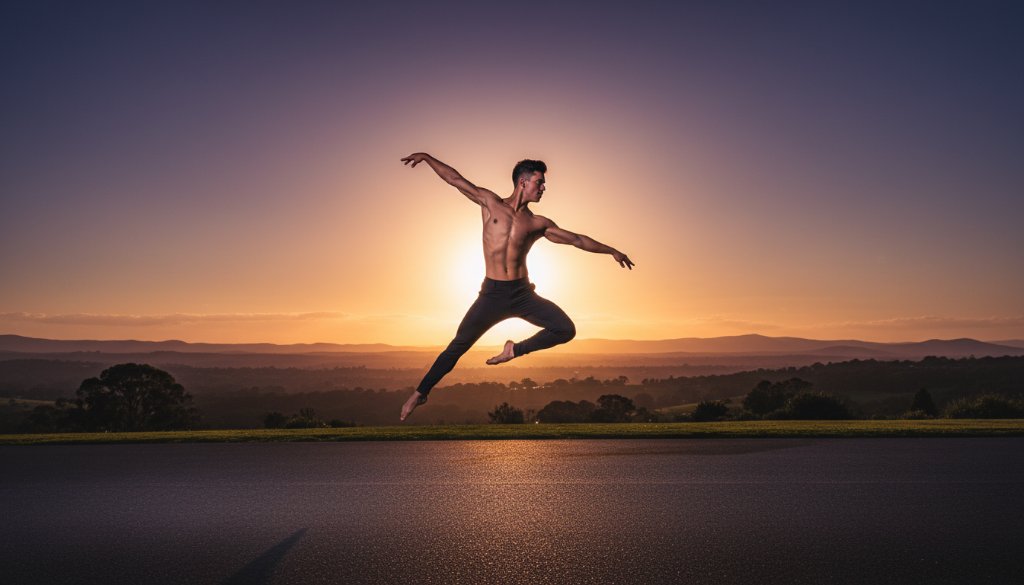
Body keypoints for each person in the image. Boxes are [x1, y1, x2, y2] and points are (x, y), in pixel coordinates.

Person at [399, 153, 634, 420]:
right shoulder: (489, 203)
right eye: (539, 182)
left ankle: (514, 350)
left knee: (565, 329)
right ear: (523, 182)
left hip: (522, 294)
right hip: (492, 295)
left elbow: (577, 240)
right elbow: (454, 179)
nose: (543, 188)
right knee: (458, 345)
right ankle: (420, 393)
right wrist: (428, 158)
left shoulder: (538, 223)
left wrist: (611, 250)